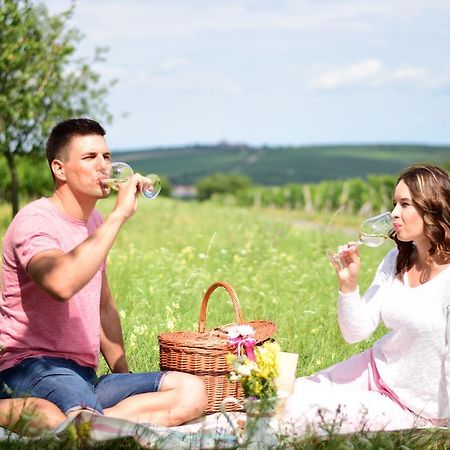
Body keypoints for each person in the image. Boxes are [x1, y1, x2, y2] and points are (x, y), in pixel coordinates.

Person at [0, 118, 208, 427]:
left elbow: (103, 306)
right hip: (33, 366)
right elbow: (60, 282)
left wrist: (124, 378)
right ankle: (79, 418)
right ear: (59, 169)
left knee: (192, 391)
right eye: (89, 157)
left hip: (84, 375)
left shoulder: (94, 222)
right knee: (61, 414)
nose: (104, 167)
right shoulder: (35, 221)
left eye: (106, 157)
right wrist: (120, 215)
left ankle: (84, 419)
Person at [284, 164, 450, 434]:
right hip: (375, 369)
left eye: (405, 204)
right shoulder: (396, 260)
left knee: (312, 417)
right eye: (395, 203)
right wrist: (348, 285)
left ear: (432, 207)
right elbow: (356, 333)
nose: (394, 213)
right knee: (290, 396)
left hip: (411, 408)